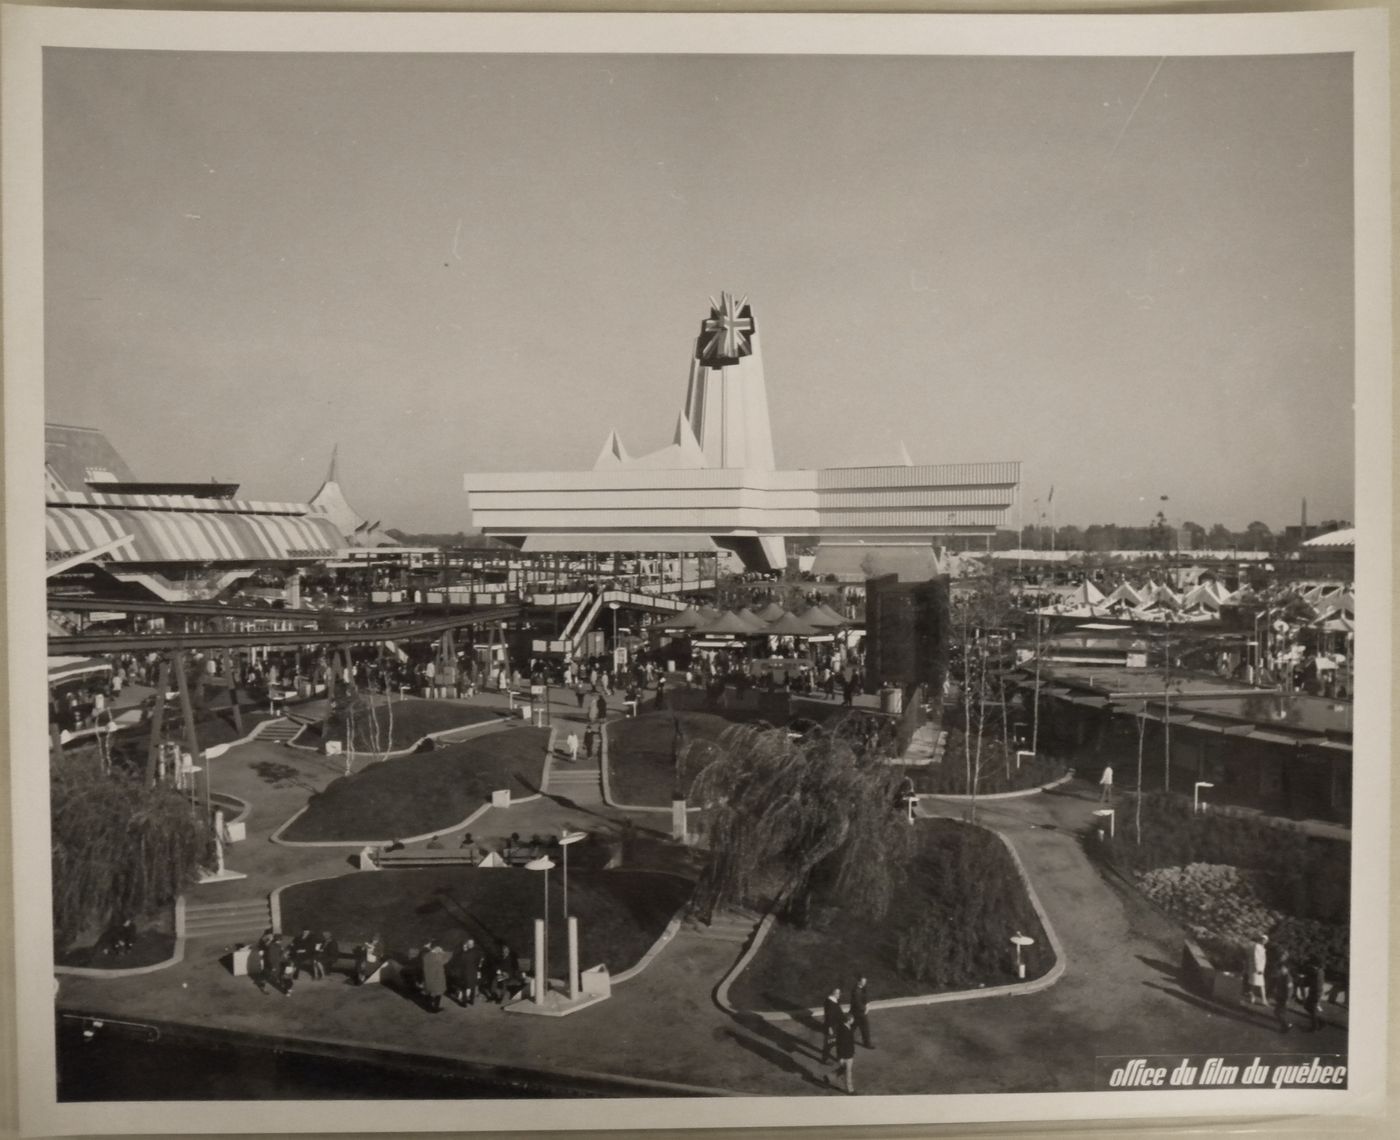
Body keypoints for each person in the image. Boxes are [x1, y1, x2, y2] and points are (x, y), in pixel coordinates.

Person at [449, 937, 483, 1007]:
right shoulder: (478, 953)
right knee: (473, 987)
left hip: (465, 973)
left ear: (468, 944)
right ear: (473, 944)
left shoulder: (464, 954)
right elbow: (478, 962)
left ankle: (464, 1003)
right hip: (473, 973)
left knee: (464, 988)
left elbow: (460, 964)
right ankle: (471, 1001)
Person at [1267, 949, 1294, 1033]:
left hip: (1284, 998)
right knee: (1279, 1012)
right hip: (1281, 997)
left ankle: (1286, 1026)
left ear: (1287, 969)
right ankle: (1286, 1025)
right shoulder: (1281, 976)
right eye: (1280, 969)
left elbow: (1290, 990)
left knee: (1277, 1012)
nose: (1281, 970)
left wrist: (1287, 1000)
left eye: (1283, 969)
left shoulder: (1288, 978)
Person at [830, 1011, 858, 1094]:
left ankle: (829, 1077)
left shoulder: (845, 1027)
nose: (854, 1020)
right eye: (852, 1019)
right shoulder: (844, 1030)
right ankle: (850, 1090)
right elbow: (840, 1045)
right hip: (846, 1056)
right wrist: (841, 1057)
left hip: (848, 1053)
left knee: (844, 1069)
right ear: (848, 1020)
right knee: (848, 1072)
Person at [420, 939, 449, 1013]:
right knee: (438, 994)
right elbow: (446, 960)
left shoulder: (426, 955)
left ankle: (427, 1006)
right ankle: (435, 1008)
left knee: (429, 992)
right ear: (436, 948)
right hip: (437, 978)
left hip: (428, 977)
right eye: (439, 948)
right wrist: (442, 952)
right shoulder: (437, 957)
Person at [1301, 958, 1326, 1031]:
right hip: (1316, 992)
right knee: (1308, 1007)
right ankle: (1321, 1022)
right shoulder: (1321, 971)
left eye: (1312, 965)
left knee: (1312, 1010)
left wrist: (1304, 979)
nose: (1311, 966)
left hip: (1315, 993)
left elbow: (1308, 982)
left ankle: (1314, 1027)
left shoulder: (1316, 973)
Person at [820, 985, 843, 1063]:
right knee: (829, 1044)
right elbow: (828, 1016)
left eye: (839, 993)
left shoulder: (835, 1000)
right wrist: (829, 1028)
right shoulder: (829, 1003)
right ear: (833, 994)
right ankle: (824, 1059)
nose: (840, 994)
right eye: (838, 993)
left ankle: (839, 1058)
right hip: (832, 1026)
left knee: (839, 1042)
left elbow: (839, 1012)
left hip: (837, 1025)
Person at [850, 976, 873, 1049]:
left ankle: (867, 1043)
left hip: (859, 1012)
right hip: (858, 1012)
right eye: (863, 982)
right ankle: (867, 1044)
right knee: (863, 1028)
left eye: (865, 982)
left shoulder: (863, 988)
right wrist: (865, 1009)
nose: (865, 983)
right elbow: (857, 1003)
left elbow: (866, 996)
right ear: (858, 982)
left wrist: (867, 1003)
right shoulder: (855, 991)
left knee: (854, 1028)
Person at [1246, 935, 1268, 1005]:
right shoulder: (1257, 946)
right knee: (1259, 984)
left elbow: (1262, 960)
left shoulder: (1261, 947)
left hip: (1259, 969)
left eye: (1266, 940)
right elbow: (1256, 958)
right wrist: (1258, 968)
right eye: (1263, 940)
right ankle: (1263, 1000)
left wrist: (1262, 969)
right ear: (1261, 939)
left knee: (1255, 983)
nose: (1264, 941)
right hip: (1256, 969)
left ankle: (1254, 998)